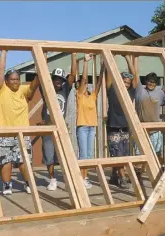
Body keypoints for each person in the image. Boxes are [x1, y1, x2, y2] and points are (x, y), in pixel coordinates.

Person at [0, 50, 39, 195]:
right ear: (6, 81)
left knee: (24, 161)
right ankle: (6, 185)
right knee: (5, 161)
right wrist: (4, 51)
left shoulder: (22, 90)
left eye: (17, 79)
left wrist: (40, 61)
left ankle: (28, 183)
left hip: (22, 133)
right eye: (12, 79)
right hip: (3, 132)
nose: (15, 82)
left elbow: (35, 85)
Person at [39, 53, 77, 191]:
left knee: (64, 156)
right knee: (49, 156)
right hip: (48, 127)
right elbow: (41, 72)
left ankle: (67, 179)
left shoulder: (65, 89)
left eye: (61, 79)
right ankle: (52, 179)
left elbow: (73, 74)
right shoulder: (46, 90)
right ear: (52, 79)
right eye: (56, 79)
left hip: (61, 128)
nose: (58, 82)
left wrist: (73, 54)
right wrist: (43, 57)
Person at [134, 71, 165, 182]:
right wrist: (130, 60)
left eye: (153, 82)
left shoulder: (160, 93)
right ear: (146, 82)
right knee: (140, 154)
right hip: (141, 129)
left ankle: (162, 175)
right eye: (149, 81)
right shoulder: (140, 90)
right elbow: (135, 73)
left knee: (157, 154)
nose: (151, 84)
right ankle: (138, 176)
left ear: (156, 83)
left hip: (155, 130)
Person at [106, 55, 139, 189]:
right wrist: (111, 58)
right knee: (117, 153)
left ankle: (115, 176)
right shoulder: (113, 89)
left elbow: (135, 77)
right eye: (124, 81)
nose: (126, 84)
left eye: (128, 83)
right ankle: (123, 177)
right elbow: (109, 76)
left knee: (124, 153)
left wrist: (127, 59)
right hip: (113, 126)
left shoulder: (131, 92)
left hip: (125, 126)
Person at [76, 54, 103, 189]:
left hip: (92, 127)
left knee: (89, 155)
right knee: (84, 154)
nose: (86, 86)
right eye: (84, 85)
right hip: (82, 127)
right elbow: (85, 79)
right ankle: (82, 178)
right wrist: (86, 63)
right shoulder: (79, 95)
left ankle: (84, 177)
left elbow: (99, 83)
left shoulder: (92, 96)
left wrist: (103, 66)